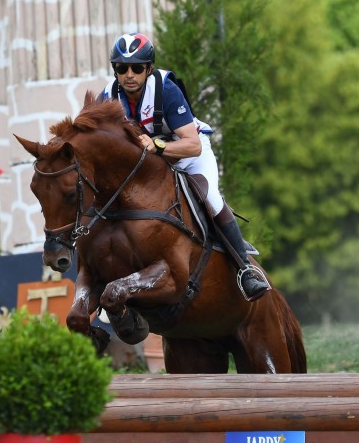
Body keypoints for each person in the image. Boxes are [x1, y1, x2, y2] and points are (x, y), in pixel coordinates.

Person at [100, 32, 271, 301]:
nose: (129, 74)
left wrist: (158, 146)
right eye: (122, 68)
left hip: (187, 154)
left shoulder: (166, 90)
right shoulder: (108, 97)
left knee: (210, 198)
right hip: (148, 167)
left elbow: (193, 145)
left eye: (137, 68)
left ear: (150, 68)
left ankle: (246, 271)